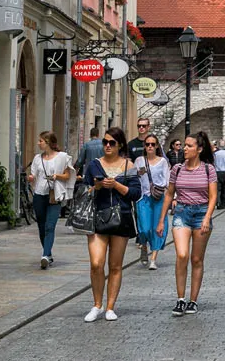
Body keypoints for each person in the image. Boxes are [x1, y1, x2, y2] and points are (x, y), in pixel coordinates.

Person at [81, 127, 140, 322]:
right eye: (105, 142)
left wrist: (116, 185)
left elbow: (136, 194)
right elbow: (84, 190)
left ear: (120, 145)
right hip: (98, 217)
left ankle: (110, 307)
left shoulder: (129, 166)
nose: (107, 145)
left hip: (121, 217)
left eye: (111, 143)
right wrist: (96, 186)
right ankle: (96, 305)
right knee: (96, 263)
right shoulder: (94, 165)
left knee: (115, 265)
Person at [162, 132, 218, 316]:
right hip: (181, 213)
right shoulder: (177, 169)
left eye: (189, 146)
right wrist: (161, 220)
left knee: (196, 259)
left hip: (202, 213)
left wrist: (207, 217)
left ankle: (193, 300)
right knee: (182, 255)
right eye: (184, 145)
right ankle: (180, 299)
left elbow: (213, 196)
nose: (184, 149)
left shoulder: (208, 169)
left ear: (199, 149)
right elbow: (169, 194)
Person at [26, 130, 71, 269]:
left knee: (50, 226)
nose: (38, 143)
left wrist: (56, 176)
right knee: (41, 227)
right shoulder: (37, 158)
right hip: (39, 195)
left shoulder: (62, 157)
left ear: (48, 142)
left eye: (40, 141)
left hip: (54, 195)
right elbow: (33, 175)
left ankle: (45, 255)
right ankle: (48, 254)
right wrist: (31, 178)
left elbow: (68, 175)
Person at [134, 134, 170, 271]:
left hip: (158, 198)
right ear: (144, 146)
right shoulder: (139, 161)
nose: (150, 146)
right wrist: (138, 174)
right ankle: (144, 245)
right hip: (143, 198)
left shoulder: (162, 162)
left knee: (157, 228)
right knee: (144, 228)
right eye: (147, 144)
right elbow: (134, 178)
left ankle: (153, 259)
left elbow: (167, 181)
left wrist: (171, 198)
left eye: (152, 144)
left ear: (157, 146)